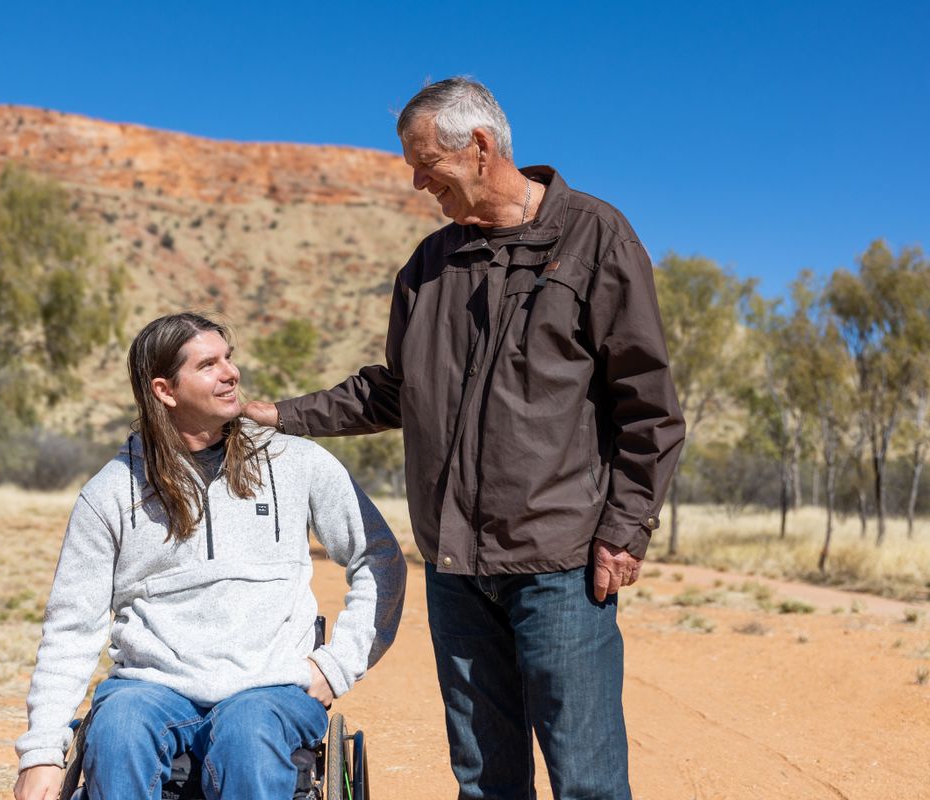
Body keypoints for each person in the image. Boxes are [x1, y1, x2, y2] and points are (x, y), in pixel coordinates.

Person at [244, 77, 685, 799]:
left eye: (426, 164)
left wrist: (625, 530)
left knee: (588, 781)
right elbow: (394, 390)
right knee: (484, 781)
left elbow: (648, 407)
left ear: (480, 146)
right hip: (455, 570)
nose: (417, 182)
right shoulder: (428, 267)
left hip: (560, 564)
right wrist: (277, 414)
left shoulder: (594, 237)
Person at [13, 312, 406, 800]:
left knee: (248, 735)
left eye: (228, 358)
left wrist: (337, 665)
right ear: (165, 391)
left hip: (269, 688)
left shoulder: (295, 462)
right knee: (117, 731)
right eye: (208, 365)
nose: (231, 373)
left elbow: (379, 557)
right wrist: (42, 754)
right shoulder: (110, 493)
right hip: (150, 688)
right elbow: (71, 628)